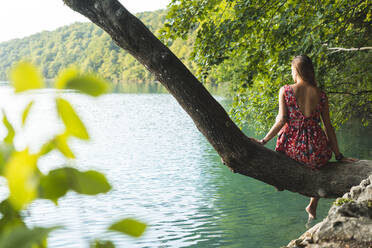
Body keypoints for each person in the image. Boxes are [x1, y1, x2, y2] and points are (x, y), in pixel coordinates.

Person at [252, 55, 357, 221]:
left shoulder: (285, 90)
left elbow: (282, 120)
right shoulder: (321, 95)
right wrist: (339, 156)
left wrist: (263, 141)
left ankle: (280, 180)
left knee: (285, 129)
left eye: (292, 70)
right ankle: (313, 203)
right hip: (317, 151)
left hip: (294, 149)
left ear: (296, 71)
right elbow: (328, 127)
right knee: (318, 164)